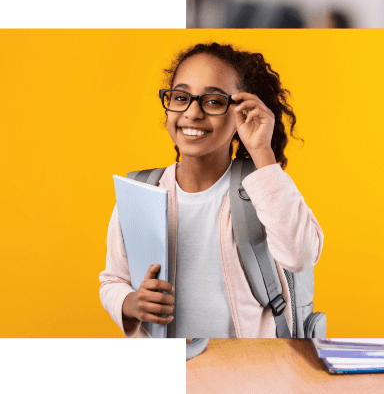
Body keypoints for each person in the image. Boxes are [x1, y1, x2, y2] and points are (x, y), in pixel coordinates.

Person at [99, 43, 323, 338]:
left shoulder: (264, 189)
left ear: (241, 113)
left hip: (250, 375)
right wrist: (131, 303)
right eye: (180, 97)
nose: (192, 112)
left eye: (214, 102)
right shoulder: (141, 193)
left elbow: (301, 255)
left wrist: (262, 153)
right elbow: (113, 281)